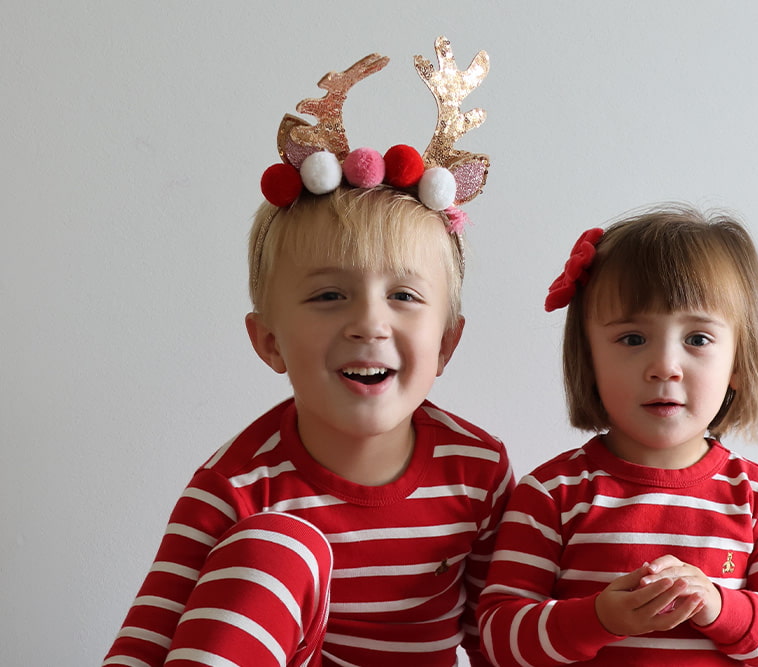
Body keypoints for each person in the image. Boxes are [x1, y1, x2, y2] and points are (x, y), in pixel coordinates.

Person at [104, 38, 513, 667]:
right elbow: (144, 640)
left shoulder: (477, 471)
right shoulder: (236, 486)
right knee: (279, 545)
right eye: (329, 296)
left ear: (447, 343)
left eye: (403, 295)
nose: (369, 324)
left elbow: (500, 637)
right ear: (269, 342)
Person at [478, 204, 758, 666]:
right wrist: (599, 618)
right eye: (632, 339)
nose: (664, 366)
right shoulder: (551, 495)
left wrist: (719, 606)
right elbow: (499, 640)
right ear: (589, 359)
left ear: (738, 363)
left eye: (698, 339)